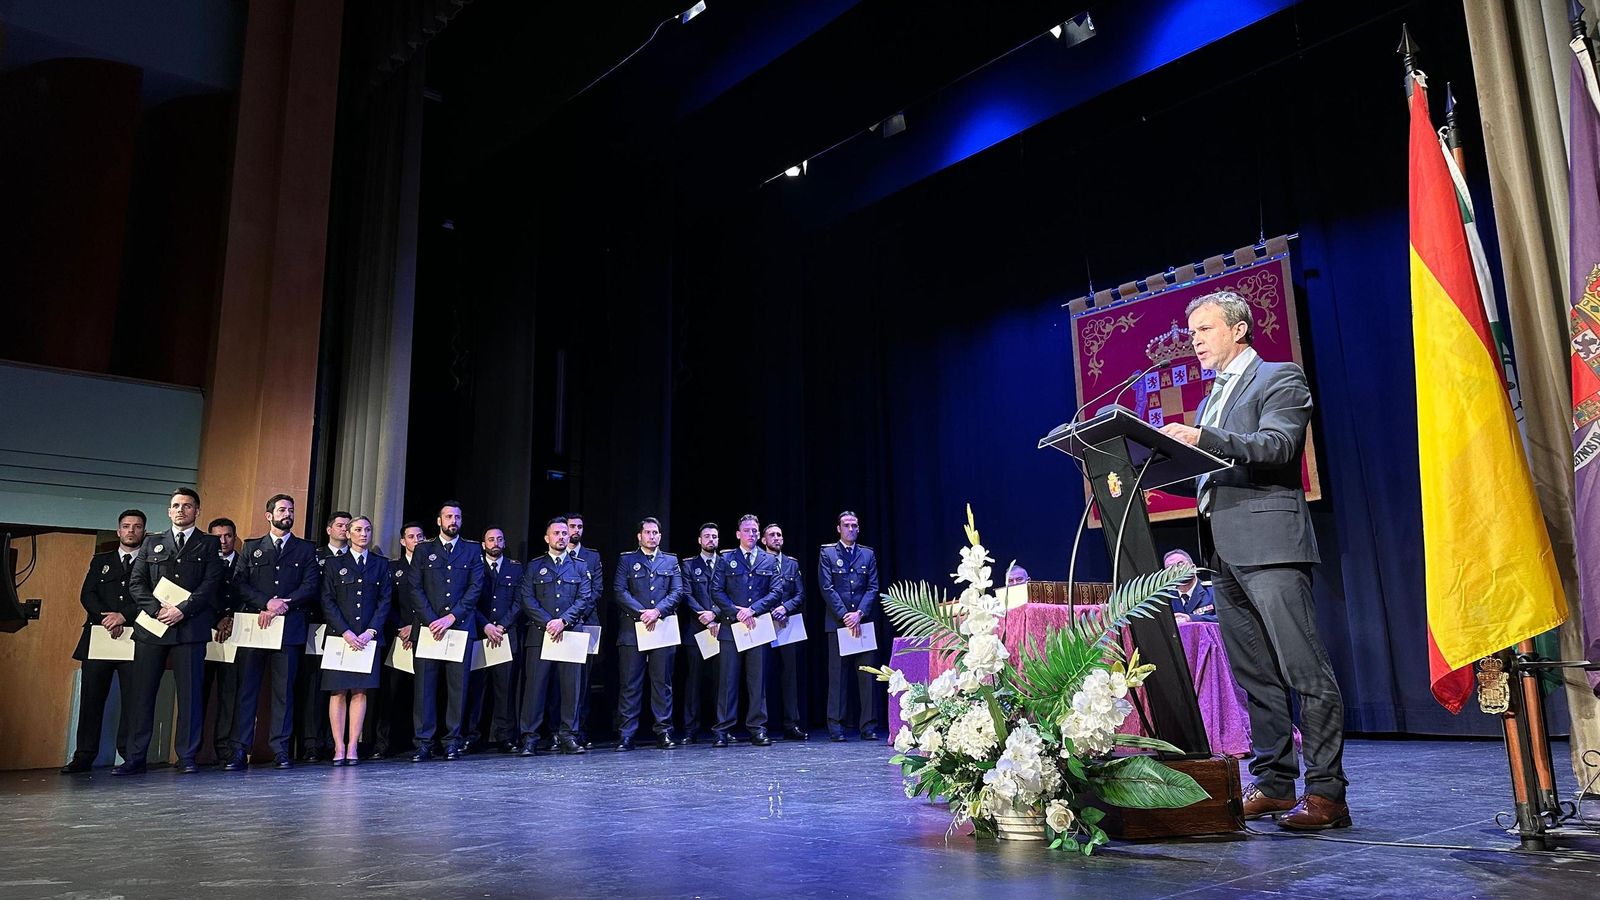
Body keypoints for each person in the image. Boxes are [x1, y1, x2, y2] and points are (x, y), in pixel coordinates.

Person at [1158, 289, 1349, 831]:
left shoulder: (1279, 378)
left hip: (1271, 546)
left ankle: (1328, 794)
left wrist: (1203, 436)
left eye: (1204, 329)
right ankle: (1272, 782)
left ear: (1238, 330)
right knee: (1255, 677)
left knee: (1304, 669)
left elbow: (1278, 446)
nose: (1194, 339)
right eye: (1191, 331)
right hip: (1223, 551)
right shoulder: (1210, 398)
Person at [121, 487, 223, 775]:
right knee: (142, 694)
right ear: (169, 511)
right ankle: (135, 757)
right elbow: (136, 584)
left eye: (187, 506)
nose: (181, 510)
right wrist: (156, 609)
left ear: (197, 511)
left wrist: (183, 609)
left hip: (190, 629)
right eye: (176, 505)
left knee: (190, 696)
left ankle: (187, 756)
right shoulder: (152, 541)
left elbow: (211, 583)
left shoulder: (208, 544)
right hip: (152, 630)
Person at [226, 494, 320, 771]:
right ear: (269, 515)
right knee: (247, 690)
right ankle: (239, 750)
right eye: (281, 509)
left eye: (291, 509)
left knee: (284, 692)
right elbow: (239, 583)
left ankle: (281, 749)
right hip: (256, 625)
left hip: (288, 627)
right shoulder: (253, 547)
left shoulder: (305, 549)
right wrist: (265, 603)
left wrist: (282, 605)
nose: (287, 513)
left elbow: (311, 584)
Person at [61, 509, 145, 774]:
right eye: (126, 526)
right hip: (99, 636)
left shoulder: (151, 562)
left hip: (134, 639)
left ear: (144, 532)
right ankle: (84, 755)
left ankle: (129, 756)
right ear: (118, 531)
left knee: (134, 701)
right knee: (91, 700)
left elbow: (151, 597)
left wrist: (124, 616)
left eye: (137, 527)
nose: (131, 531)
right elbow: (88, 594)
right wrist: (105, 618)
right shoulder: (101, 561)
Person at [407, 501, 485, 761]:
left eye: (457, 517)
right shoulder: (423, 549)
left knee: (457, 688)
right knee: (424, 689)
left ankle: (452, 740)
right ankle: (424, 742)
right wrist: (432, 620)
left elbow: (475, 588)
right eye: (449, 516)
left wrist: (451, 617)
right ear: (439, 520)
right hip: (430, 629)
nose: (453, 520)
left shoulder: (472, 550)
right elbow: (415, 588)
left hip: (459, 628)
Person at [515, 517, 594, 755]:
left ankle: (568, 735)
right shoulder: (534, 565)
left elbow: (584, 597)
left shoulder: (580, 566)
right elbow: (527, 598)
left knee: (571, 690)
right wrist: (548, 621)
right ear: (547, 538)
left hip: (570, 634)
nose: (562, 537)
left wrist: (563, 621)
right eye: (557, 533)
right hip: (541, 635)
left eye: (564, 533)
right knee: (535, 689)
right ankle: (530, 737)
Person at [320, 516, 392, 766]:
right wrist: (346, 632)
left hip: (367, 637)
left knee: (360, 691)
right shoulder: (333, 564)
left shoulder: (380, 565)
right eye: (358, 530)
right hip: (341, 637)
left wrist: (371, 631)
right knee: (338, 691)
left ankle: (353, 746)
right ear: (348, 534)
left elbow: (385, 601)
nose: (363, 534)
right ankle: (338, 746)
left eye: (368, 530)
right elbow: (327, 601)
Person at [612, 517, 684, 751]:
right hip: (634, 629)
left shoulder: (670, 560)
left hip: (661, 628)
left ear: (660, 536)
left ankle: (663, 731)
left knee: (662, 683)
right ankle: (626, 734)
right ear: (639, 536)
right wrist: (642, 613)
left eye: (655, 533)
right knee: (630, 684)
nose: (652, 536)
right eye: (648, 532)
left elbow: (677, 591)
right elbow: (619, 591)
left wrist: (657, 611)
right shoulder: (627, 559)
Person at [709, 514, 778, 749]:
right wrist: (735, 611)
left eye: (755, 531)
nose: (752, 534)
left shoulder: (769, 561)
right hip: (731, 627)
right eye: (747, 530)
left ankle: (757, 728)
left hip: (757, 626)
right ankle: (722, 729)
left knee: (757, 681)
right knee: (727, 680)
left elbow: (775, 592)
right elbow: (716, 590)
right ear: (738, 534)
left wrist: (753, 610)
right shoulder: (726, 558)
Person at [818, 510, 881, 741]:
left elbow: (873, 586)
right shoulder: (827, 553)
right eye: (846, 525)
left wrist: (860, 613)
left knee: (866, 676)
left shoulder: (867, 554)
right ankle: (836, 726)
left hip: (863, 622)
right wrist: (846, 615)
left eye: (855, 525)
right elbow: (827, 587)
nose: (851, 529)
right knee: (837, 677)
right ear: (838, 528)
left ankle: (869, 726)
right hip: (838, 623)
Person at [367, 521, 425, 757]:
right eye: (411, 536)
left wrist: (415, 627)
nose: (417, 540)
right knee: (390, 692)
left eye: (420, 536)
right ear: (403, 542)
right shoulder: (392, 569)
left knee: (420, 692)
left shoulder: (432, 567)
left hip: (423, 634)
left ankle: (417, 740)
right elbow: (384, 602)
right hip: (397, 637)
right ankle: (382, 743)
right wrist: (401, 628)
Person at [299, 511, 352, 762]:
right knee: (314, 685)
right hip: (318, 625)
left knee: (338, 687)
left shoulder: (356, 558)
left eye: (348, 526)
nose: (344, 529)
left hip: (346, 631)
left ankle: (335, 742)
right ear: (329, 529)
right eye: (340, 525)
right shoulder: (316, 556)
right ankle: (311, 743)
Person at [467, 526, 524, 753]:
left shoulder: (515, 568)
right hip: (481, 634)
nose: (496, 543)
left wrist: (501, 626)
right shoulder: (475, 566)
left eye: (500, 539)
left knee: (505, 689)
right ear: (483, 544)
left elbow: (519, 601)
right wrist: (486, 625)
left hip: (505, 635)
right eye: (491, 539)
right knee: (476, 689)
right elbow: (470, 600)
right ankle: (472, 735)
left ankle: (505, 736)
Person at [763, 523, 807, 741]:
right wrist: (770, 609)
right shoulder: (759, 560)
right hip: (763, 624)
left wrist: (785, 608)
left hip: (787, 624)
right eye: (772, 535)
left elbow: (800, 594)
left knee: (790, 675)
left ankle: (792, 723)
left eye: (779, 534)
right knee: (762, 675)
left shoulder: (791, 564)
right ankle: (761, 724)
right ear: (764, 540)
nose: (776, 538)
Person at [677, 522, 721, 743]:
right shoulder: (689, 565)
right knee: (693, 682)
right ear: (699, 540)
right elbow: (686, 593)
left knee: (721, 683)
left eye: (714, 536)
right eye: (707, 536)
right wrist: (703, 615)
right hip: (696, 630)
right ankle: (690, 729)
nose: (711, 539)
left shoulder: (725, 563)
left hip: (720, 629)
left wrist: (715, 613)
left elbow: (730, 593)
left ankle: (721, 728)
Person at [203, 517, 242, 762]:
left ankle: (225, 749)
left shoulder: (244, 563)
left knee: (230, 695)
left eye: (228, 536)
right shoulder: (203, 563)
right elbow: (199, 595)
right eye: (218, 536)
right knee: (198, 693)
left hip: (236, 634)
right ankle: (191, 750)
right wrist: (217, 619)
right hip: (205, 633)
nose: (223, 541)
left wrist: (230, 620)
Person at [566, 512, 603, 749]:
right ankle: (559, 730)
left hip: (586, 622)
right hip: (561, 625)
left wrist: (576, 615)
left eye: (579, 526)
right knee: (562, 679)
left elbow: (596, 590)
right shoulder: (556, 556)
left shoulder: (591, 556)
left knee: (584, 680)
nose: (575, 530)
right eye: (571, 526)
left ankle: (580, 730)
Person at [1162, 549, 1216, 623]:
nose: (1175, 570)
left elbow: (1227, 619)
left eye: (1180, 564)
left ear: (1193, 567)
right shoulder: (1166, 599)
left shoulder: (1213, 591)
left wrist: (1192, 619)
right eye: (1170, 568)